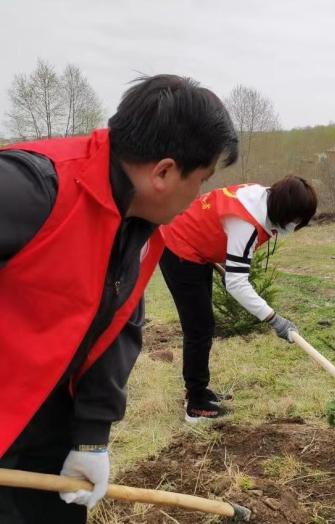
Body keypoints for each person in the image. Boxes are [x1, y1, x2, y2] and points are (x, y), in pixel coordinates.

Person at [0, 74, 237, 523]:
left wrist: (91, 438)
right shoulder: (30, 189)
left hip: (48, 421)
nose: (200, 196)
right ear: (164, 172)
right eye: (202, 180)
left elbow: (117, 327)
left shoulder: (138, 227)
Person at [159, 176, 318, 422]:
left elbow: (223, 236)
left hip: (196, 246)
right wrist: (275, 320)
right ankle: (196, 402)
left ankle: (199, 389)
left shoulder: (260, 195)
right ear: (284, 212)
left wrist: (230, 267)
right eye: (296, 221)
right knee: (199, 328)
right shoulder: (246, 223)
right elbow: (237, 284)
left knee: (202, 325)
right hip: (178, 246)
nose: (295, 227)